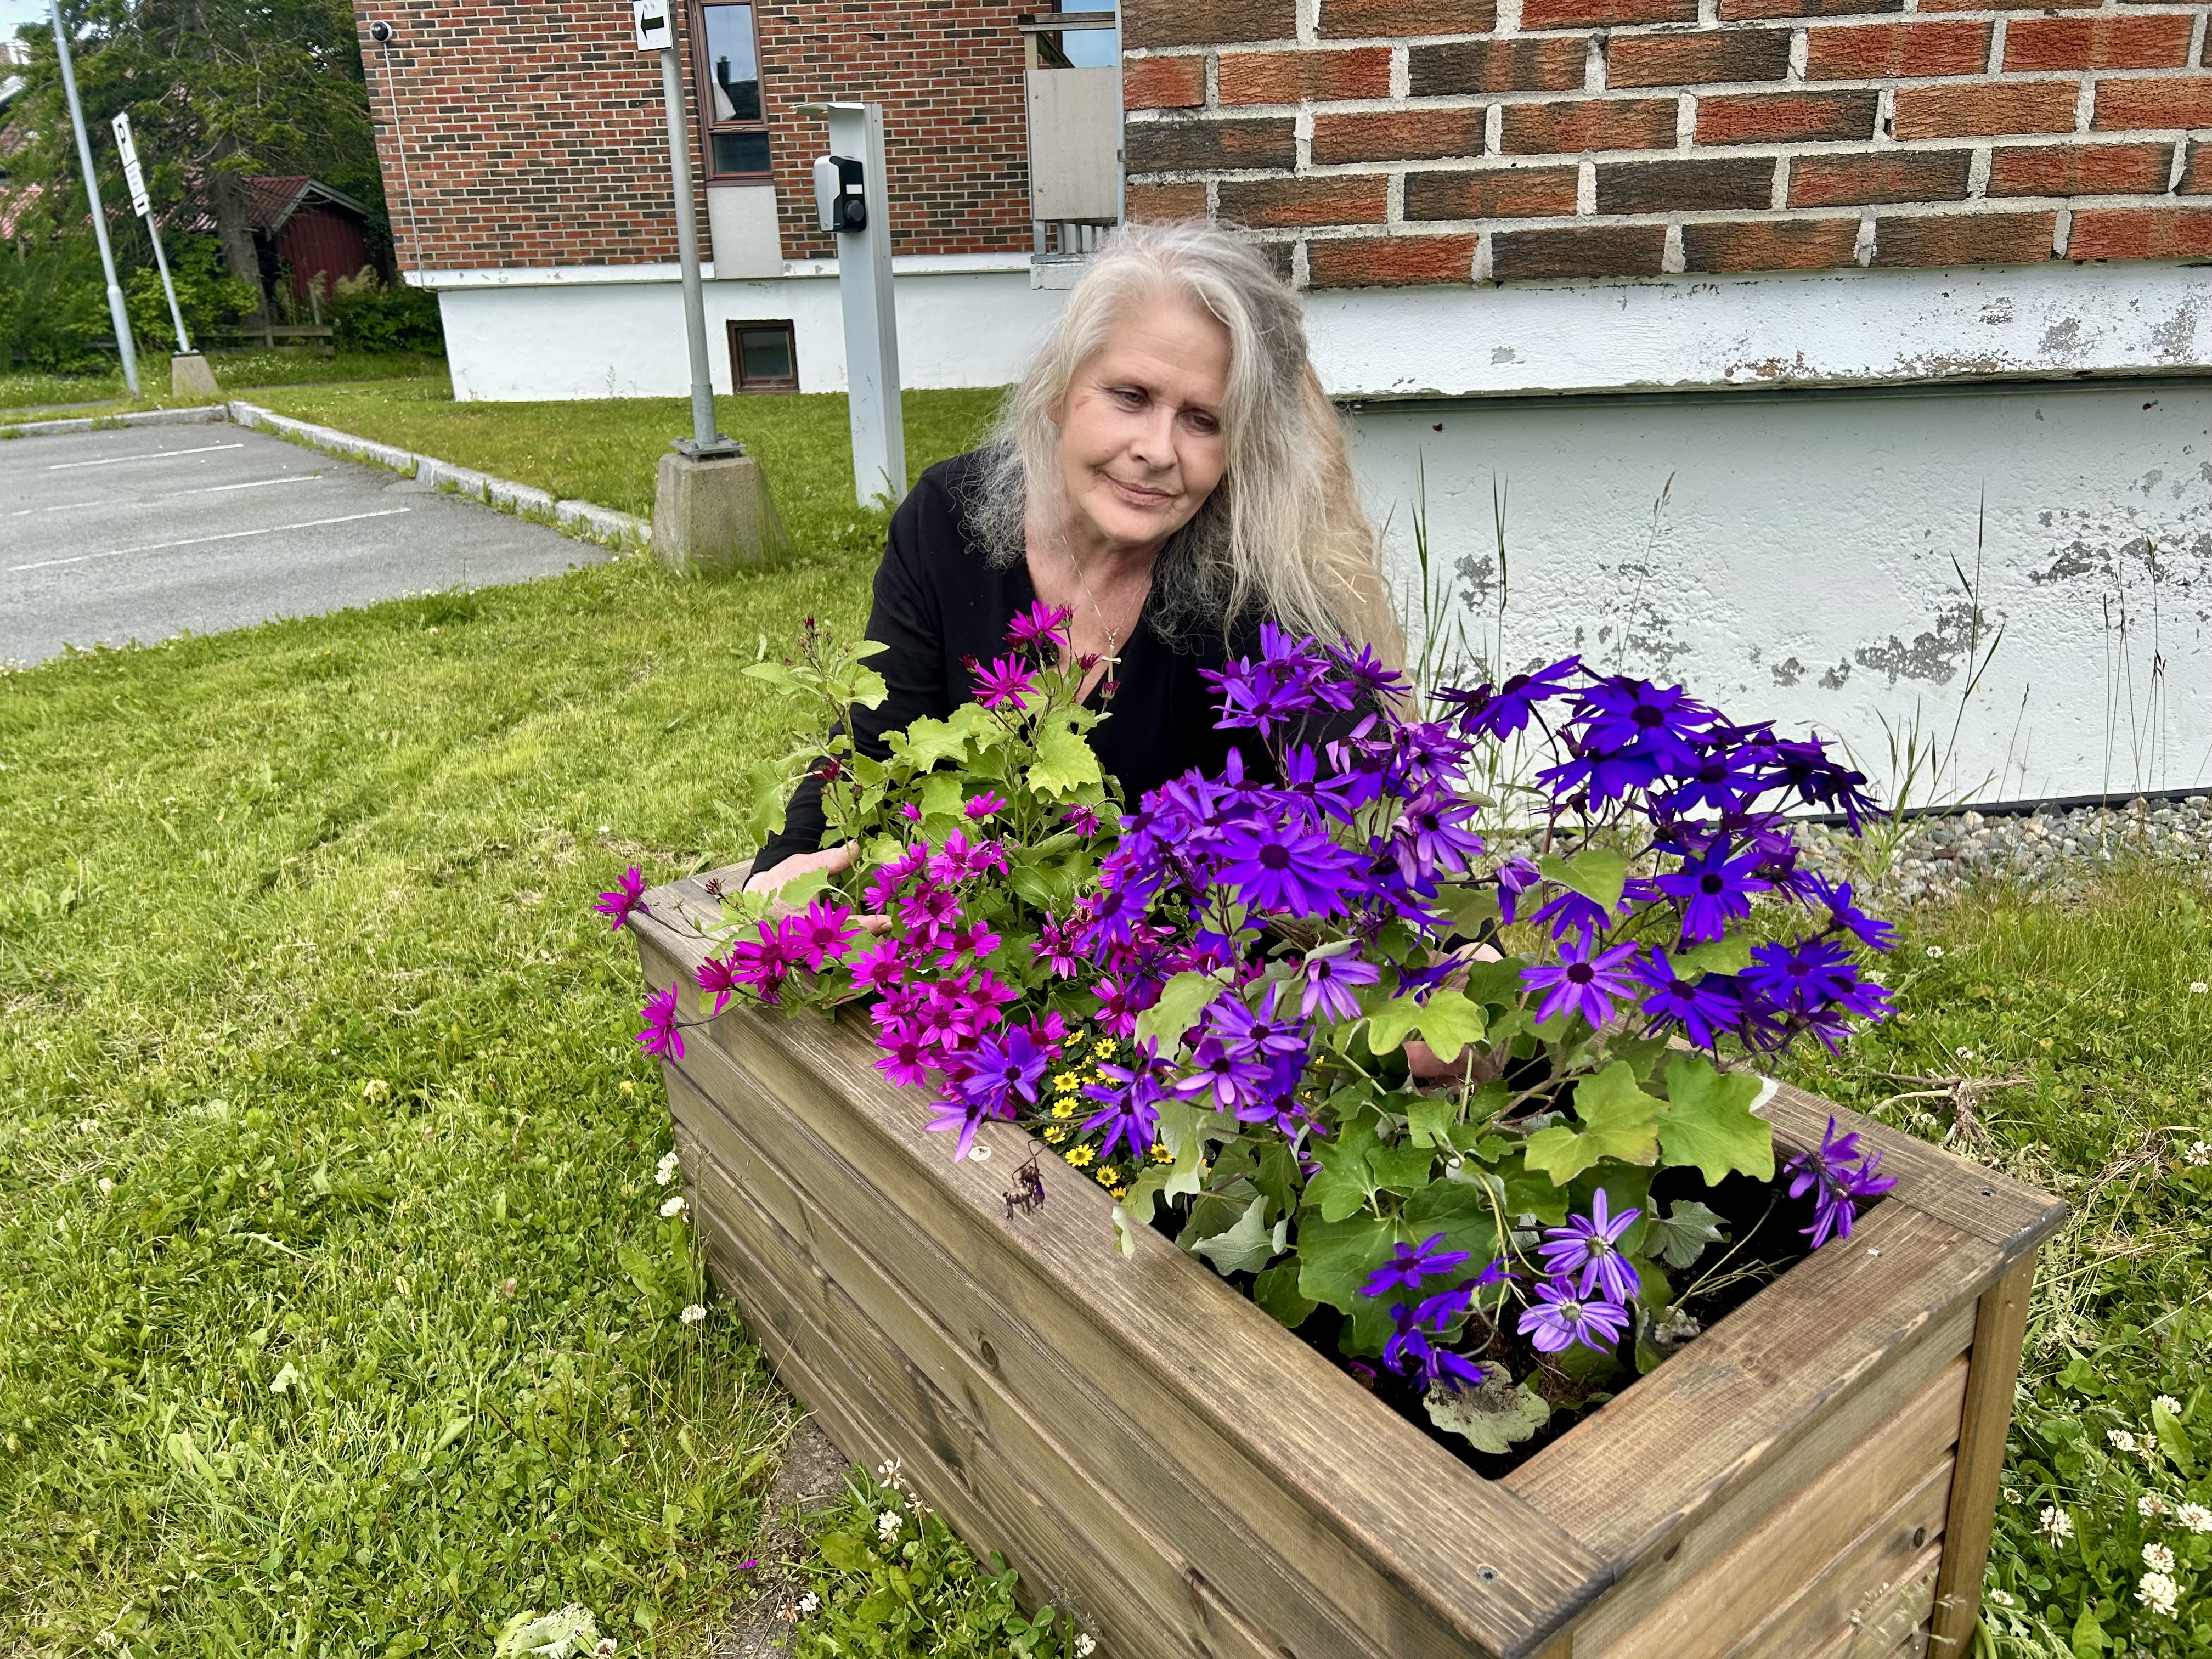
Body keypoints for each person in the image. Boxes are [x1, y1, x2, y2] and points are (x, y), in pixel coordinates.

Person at [744, 220, 1400, 900]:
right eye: (1131, 396)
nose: (1158, 449)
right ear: (1059, 391)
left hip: (1178, 976)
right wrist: (786, 871)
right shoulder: (948, 520)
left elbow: (1377, 805)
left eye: (1204, 420)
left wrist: (1461, 939)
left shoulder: (1257, 594)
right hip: (970, 960)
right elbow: (873, 749)